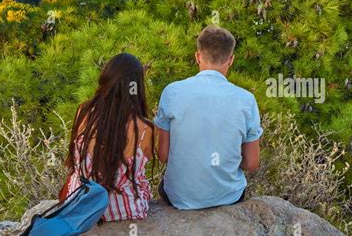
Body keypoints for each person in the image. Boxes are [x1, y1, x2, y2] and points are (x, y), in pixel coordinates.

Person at [155, 25, 262, 209]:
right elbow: (251, 163)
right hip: (228, 196)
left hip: (179, 197)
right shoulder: (246, 99)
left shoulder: (172, 92)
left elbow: (164, 155)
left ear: (197, 56)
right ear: (231, 60)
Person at [62, 53, 154, 221]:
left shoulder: (83, 112)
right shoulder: (144, 128)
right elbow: (143, 164)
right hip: (123, 210)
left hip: (80, 206)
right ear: (137, 87)